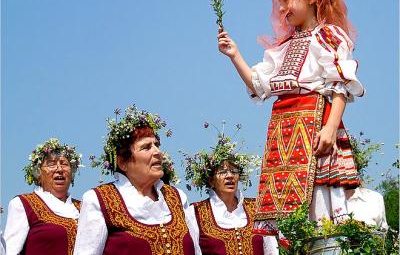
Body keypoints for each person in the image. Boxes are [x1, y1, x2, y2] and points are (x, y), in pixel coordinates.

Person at [217, 0, 364, 235]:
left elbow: (340, 85)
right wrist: (234, 55)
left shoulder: (328, 36)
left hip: (314, 122)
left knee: (319, 197)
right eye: (280, 2)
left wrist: (331, 127)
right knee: (286, 207)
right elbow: (259, 85)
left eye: (288, 0)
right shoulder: (282, 48)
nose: (282, 8)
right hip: (283, 128)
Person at [74, 105, 201, 254]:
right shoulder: (99, 200)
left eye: (157, 145)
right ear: (123, 162)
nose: (158, 152)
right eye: (146, 147)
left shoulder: (177, 197)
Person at [184, 126, 279, 254]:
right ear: (211, 181)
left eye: (234, 171)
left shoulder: (257, 209)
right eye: (222, 172)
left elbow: (271, 250)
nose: (229, 176)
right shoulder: (195, 213)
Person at [4, 138, 83, 255]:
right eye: (51, 164)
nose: (59, 169)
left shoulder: (84, 207)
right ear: (38, 174)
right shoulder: (24, 204)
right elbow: (9, 251)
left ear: (72, 174)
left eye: (64, 164)